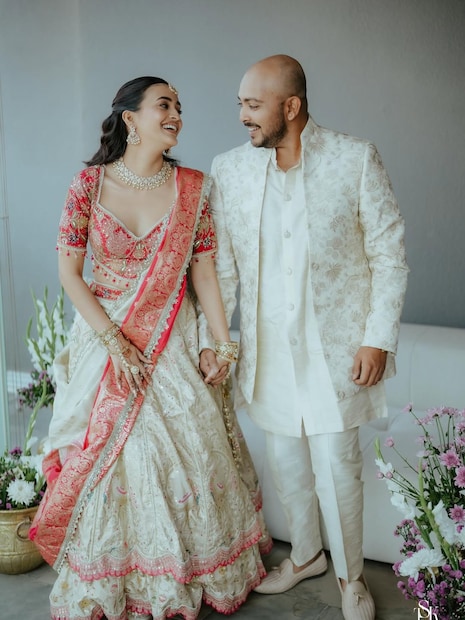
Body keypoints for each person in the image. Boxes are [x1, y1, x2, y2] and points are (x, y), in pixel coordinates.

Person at [30, 76, 271, 620]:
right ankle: (116, 577)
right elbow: (70, 275)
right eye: (164, 105)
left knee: (183, 453)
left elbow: (203, 272)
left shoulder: (192, 188)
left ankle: (186, 572)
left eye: (179, 106)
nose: (176, 115)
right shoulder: (87, 186)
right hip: (106, 339)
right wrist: (115, 344)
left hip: (173, 339)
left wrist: (222, 345)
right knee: (115, 458)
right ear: (130, 118)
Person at [198, 55, 408, 620]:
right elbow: (222, 270)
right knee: (286, 464)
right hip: (267, 350)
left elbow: (389, 256)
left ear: (290, 106)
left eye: (253, 104)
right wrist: (215, 341)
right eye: (240, 104)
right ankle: (307, 556)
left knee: (338, 467)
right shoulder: (230, 170)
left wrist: (378, 339)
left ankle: (351, 579)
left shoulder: (354, 158)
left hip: (336, 351)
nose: (242, 115)